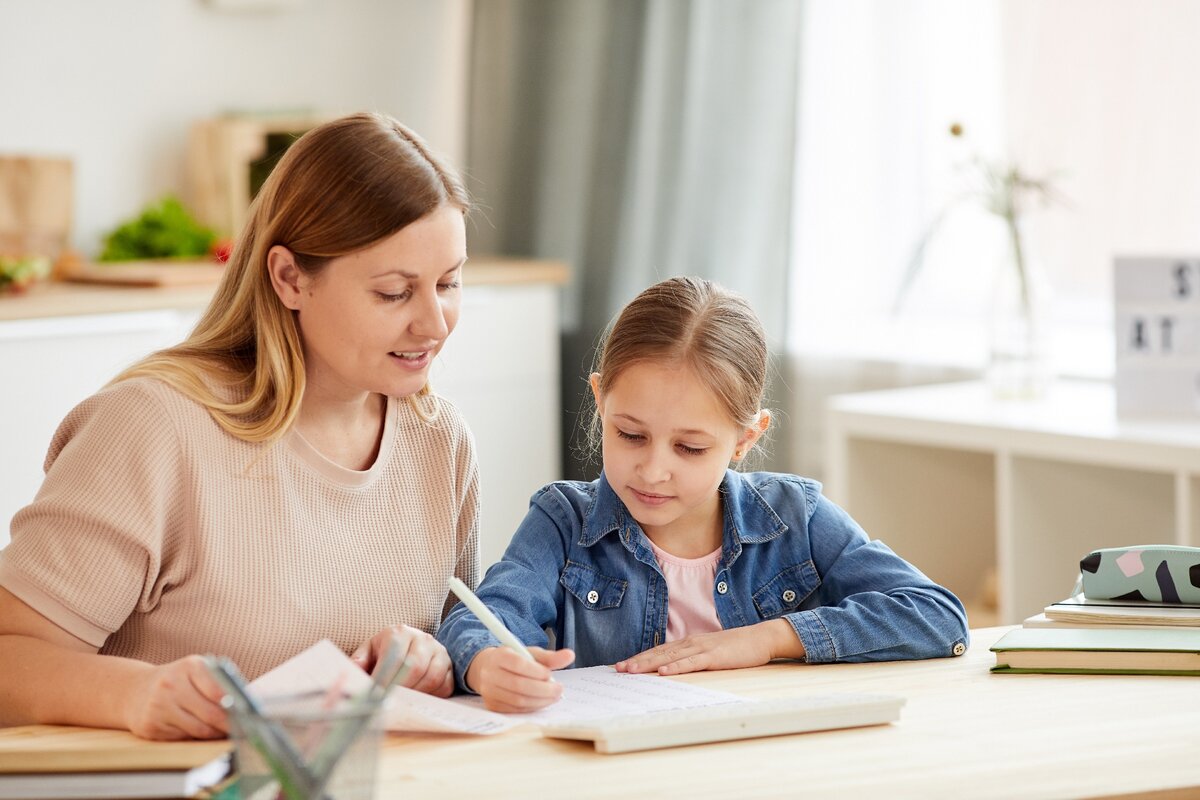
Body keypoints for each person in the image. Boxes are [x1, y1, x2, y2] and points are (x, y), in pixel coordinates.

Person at [0, 112, 479, 739]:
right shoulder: (153, 427)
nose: (435, 324)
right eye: (394, 292)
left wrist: (435, 659)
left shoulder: (439, 439)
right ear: (289, 278)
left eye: (448, 283)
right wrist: (137, 694)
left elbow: (466, 634)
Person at [438, 276, 969, 712]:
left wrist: (764, 639)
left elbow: (934, 615)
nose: (652, 470)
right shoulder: (563, 521)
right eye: (630, 435)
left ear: (745, 439)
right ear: (600, 400)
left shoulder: (795, 517)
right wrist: (488, 664)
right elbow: (482, 617)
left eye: (689, 448)